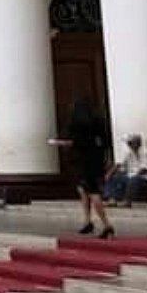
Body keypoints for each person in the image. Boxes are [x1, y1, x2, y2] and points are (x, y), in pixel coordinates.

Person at [50, 99, 114, 239]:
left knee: (93, 192)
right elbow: (105, 142)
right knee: (82, 189)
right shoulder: (98, 122)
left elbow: (74, 142)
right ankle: (87, 221)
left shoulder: (78, 124)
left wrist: (58, 142)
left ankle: (107, 225)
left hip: (83, 161)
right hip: (96, 160)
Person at [104, 134, 147, 207]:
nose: (129, 145)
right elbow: (119, 164)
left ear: (138, 143)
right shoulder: (128, 152)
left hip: (146, 177)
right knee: (114, 177)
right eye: (129, 143)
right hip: (130, 175)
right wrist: (109, 173)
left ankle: (127, 201)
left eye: (131, 143)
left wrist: (133, 175)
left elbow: (145, 169)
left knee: (134, 179)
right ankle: (112, 199)